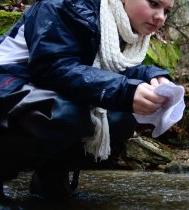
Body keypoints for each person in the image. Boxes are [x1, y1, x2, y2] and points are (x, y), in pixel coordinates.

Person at [0, 0, 174, 200]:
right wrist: (124, 91)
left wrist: (153, 76)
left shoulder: (119, 25)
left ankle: (52, 177)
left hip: (35, 86)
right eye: (153, 3)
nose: (160, 16)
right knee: (63, 114)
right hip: (8, 81)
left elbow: (111, 67)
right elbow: (52, 67)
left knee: (120, 118)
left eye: (166, 11)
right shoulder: (64, 5)